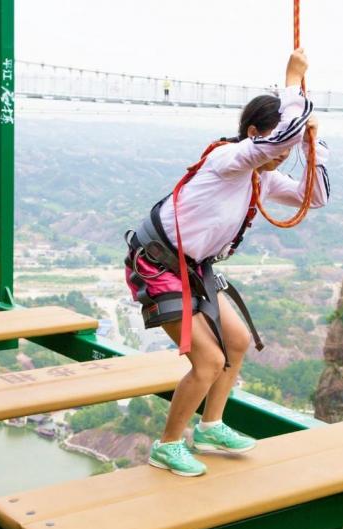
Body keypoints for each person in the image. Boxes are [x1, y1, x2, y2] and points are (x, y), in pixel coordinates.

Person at [124, 48, 330, 477]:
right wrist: (292, 81)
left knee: (234, 343)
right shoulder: (228, 159)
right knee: (209, 362)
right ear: (253, 133)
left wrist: (315, 146)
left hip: (195, 268)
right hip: (160, 263)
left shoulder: (262, 175)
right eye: (277, 144)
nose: (280, 157)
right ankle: (167, 446)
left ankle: (210, 425)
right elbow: (276, 142)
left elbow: (316, 197)